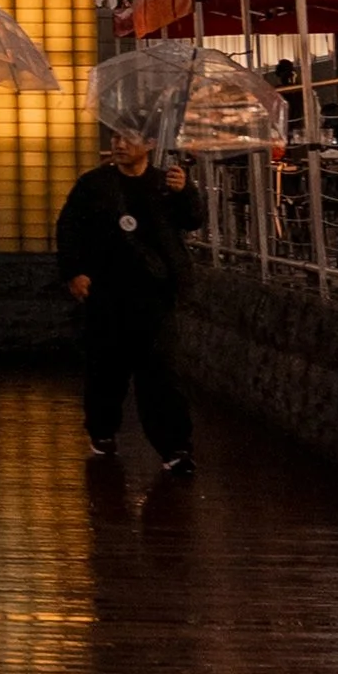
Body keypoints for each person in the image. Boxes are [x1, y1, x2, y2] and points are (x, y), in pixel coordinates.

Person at [55, 121, 207, 474]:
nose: (119, 144)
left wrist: (185, 191)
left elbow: (192, 220)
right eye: (115, 137)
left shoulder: (166, 183)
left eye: (129, 138)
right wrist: (73, 272)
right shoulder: (94, 185)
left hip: (155, 294)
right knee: (105, 369)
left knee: (161, 372)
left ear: (150, 144)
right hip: (105, 292)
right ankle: (102, 429)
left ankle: (175, 448)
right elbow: (69, 228)